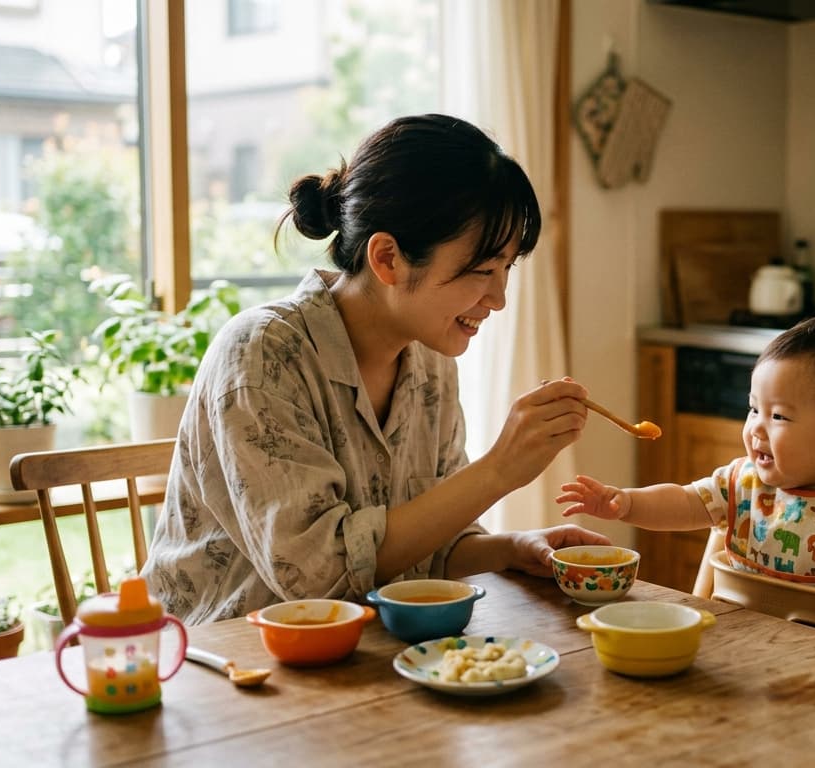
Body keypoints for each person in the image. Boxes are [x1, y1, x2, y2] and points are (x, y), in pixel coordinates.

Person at [143, 114, 609, 623]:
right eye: (482, 270)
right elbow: (322, 578)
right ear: (388, 258)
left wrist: (510, 549)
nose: (498, 299)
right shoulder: (261, 354)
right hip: (223, 667)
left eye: (507, 269)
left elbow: (430, 543)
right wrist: (498, 470)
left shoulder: (430, 356)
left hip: (363, 660)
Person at [557, 314, 815, 608]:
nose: (756, 428)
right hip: (742, 645)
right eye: (754, 409)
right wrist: (625, 503)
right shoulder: (743, 482)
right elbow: (685, 502)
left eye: (779, 417)